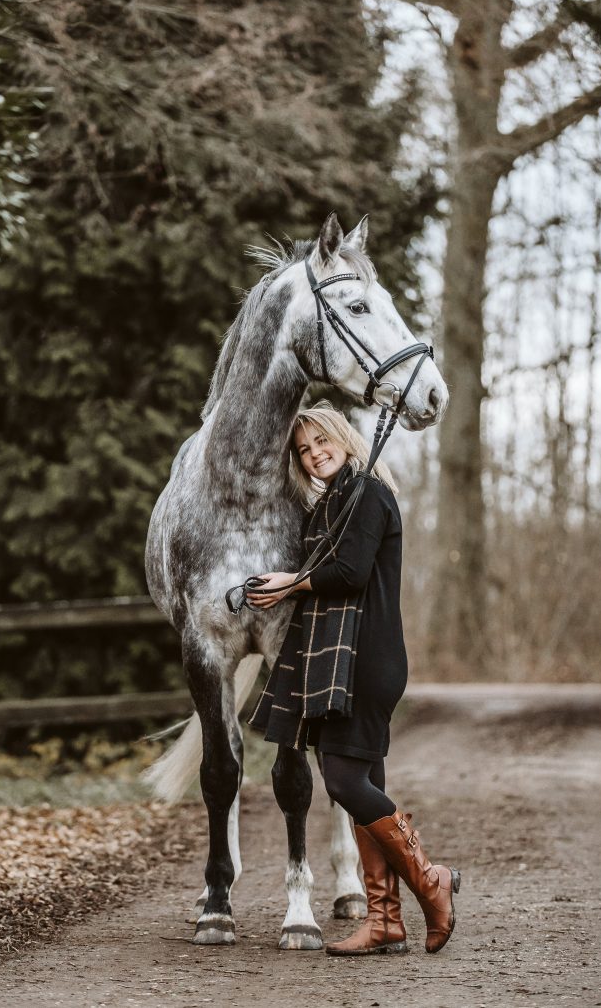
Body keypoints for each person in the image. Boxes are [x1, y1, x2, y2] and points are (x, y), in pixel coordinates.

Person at [247, 400, 460, 957]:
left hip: (365, 660)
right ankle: (384, 920)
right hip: (353, 659)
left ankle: (429, 880)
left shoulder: (364, 493)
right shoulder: (333, 504)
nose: (315, 454)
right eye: (304, 450)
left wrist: (292, 582)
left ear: (343, 436)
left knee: (343, 783)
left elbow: (348, 573)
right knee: (369, 789)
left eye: (322, 441)